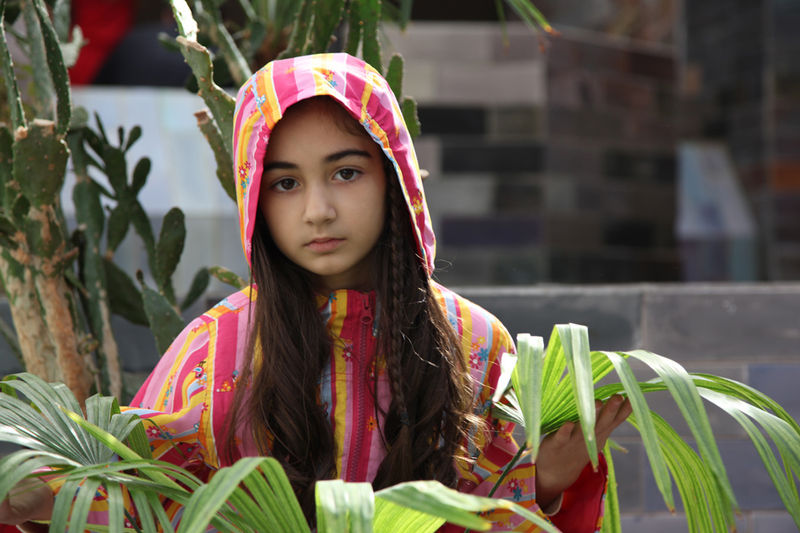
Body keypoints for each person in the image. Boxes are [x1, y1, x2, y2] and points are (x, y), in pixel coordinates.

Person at [0, 53, 631, 532]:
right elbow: (141, 494)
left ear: (394, 177)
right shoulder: (216, 349)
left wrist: (547, 483)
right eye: (285, 183)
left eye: (346, 172)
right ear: (254, 197)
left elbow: (495, 506)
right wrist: (43, 494)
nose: (318, 211)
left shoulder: (474, 343)